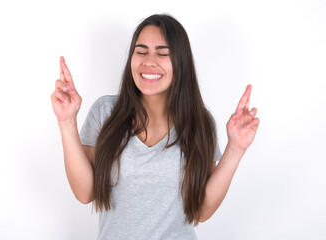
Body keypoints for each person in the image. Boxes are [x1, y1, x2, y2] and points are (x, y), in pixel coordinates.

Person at [51, 14, 259, 240]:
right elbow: (85, 193)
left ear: (181, 62)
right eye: (141, 51)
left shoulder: (199, 122)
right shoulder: (104, 112)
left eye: (162, 53)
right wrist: (66, 121)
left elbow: (201, 210)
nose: (149, 61)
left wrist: (236, 147)